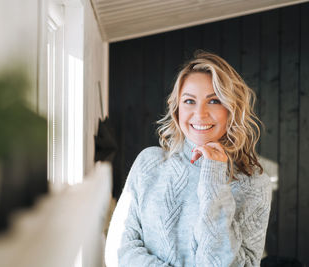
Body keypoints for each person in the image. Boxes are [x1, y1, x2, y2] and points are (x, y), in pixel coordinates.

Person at [105, 51, 272, 267]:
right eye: (189, 101)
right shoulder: (149, 163)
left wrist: (214, 181)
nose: (200, 113)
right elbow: (119, 250)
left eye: (214, 100)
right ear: (176, 109)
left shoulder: (254, 183)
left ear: (232, 109)